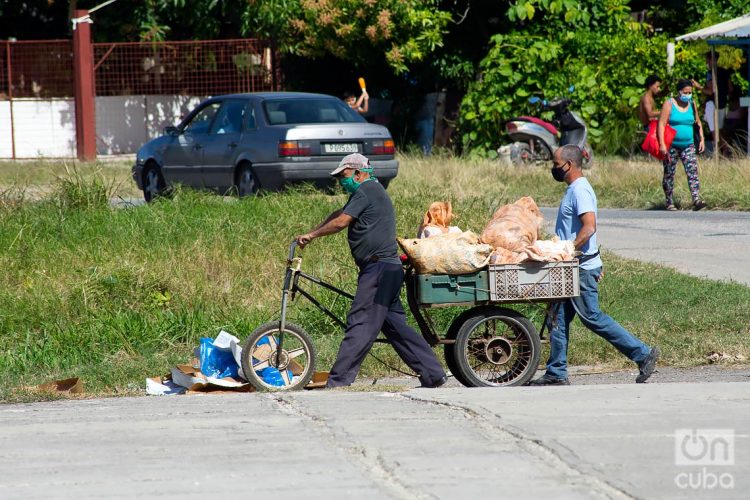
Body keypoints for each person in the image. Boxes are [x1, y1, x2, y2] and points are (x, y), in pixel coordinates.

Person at [295, 153, 447, 389]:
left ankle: (338, 381)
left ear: (358, 173)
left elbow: (341, 221)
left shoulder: (367, 190)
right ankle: (433, 373)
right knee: (394, 326)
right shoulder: (365, 192)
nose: (340, 182)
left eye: (343, 176)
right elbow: (338, 215)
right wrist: (311, 232)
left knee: (361, 321)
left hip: (379, 269)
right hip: (385, 268)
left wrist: (313, 235)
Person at [528, 145, 660, 386]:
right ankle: (556, 372)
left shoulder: (580, 191)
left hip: (578, 267)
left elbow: (589, 227)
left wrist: (569, 250)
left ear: (569, 164)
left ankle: (642, 354)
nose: (553, 169)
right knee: (555, 317)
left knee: (592, 317)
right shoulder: (573, 189)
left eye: (556, 165)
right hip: (570, 267)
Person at [657, 79, 707, 211]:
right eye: (685, 92)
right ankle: (669, 201)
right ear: (679, 92)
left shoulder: (692, 103)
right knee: (669, 172)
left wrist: (701, 138)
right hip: (671, 145)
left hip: (688, 144)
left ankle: (696, 199)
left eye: (690, 92)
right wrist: (662, 144)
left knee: (692, 171)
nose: (688, 94)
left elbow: (697, 122)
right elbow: (661, 124)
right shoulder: (669, 104)